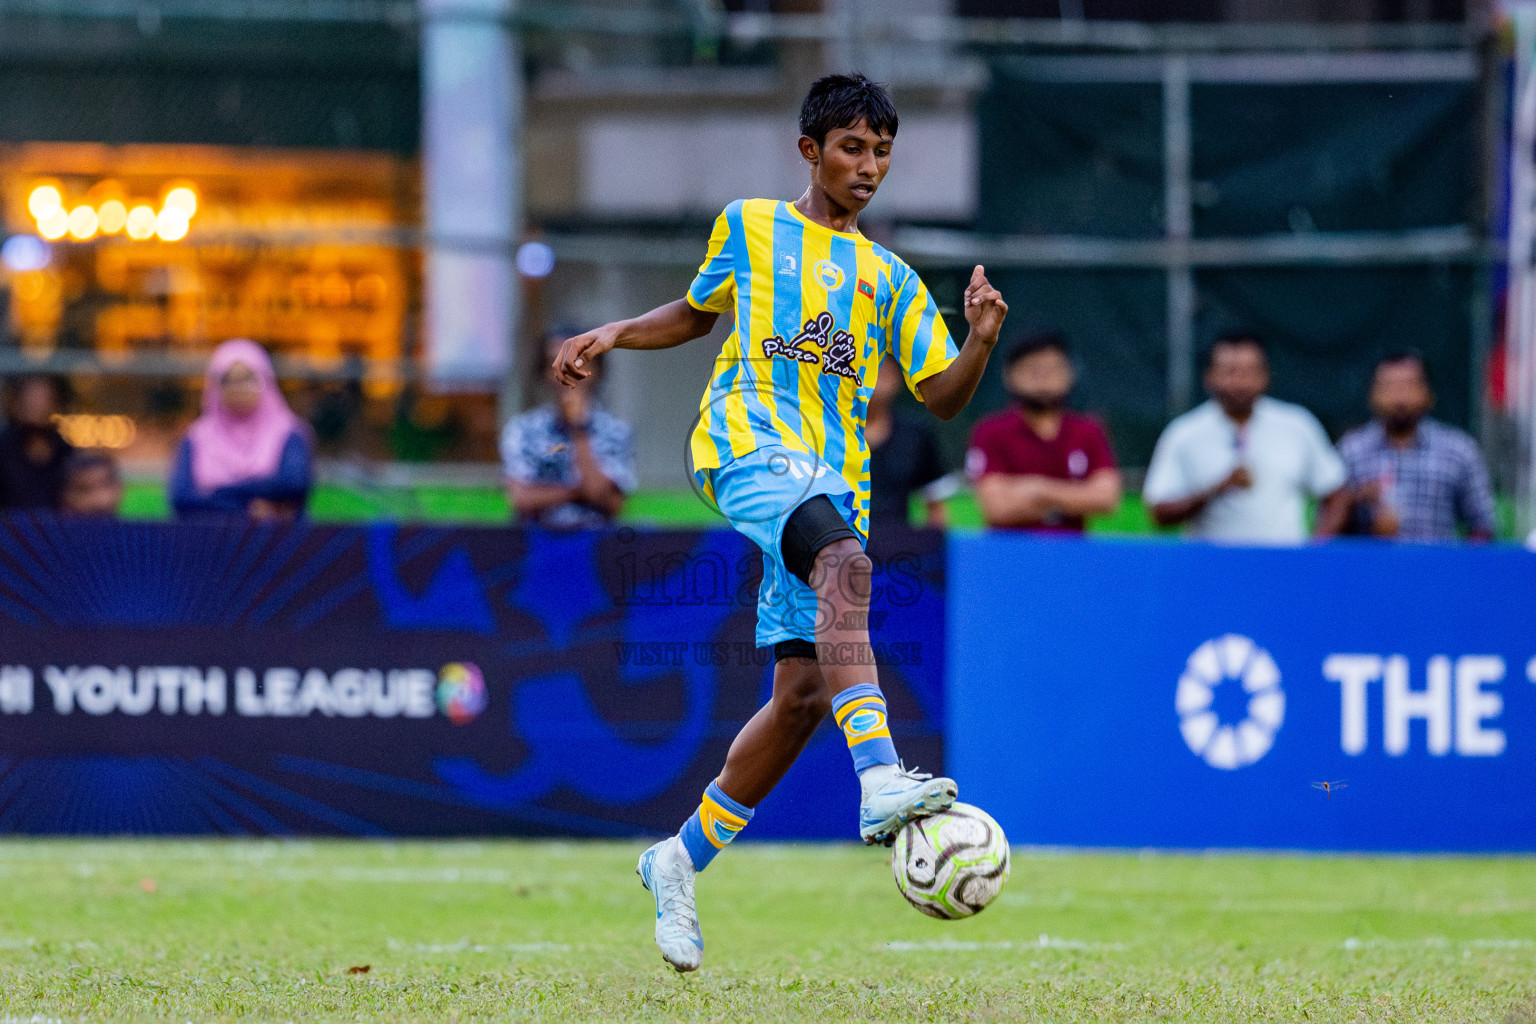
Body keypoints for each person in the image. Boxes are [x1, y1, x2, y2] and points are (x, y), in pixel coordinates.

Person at [551, 73, 1008, 973]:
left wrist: (981, 340)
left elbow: (941, 397)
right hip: (743, 440)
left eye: (881, 151)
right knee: (843, 559)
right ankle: (880, 778)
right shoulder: (752, 225)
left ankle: (676, 861)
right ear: (811, 149)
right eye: (852, 147)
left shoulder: (890, 276)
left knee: (801, 698)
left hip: (833, 478)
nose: (869, 166)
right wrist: (615, 331)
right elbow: (694, 312)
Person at [1144, 333, 1346, 544]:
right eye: (1230, 372)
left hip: (1283, 567)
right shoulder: (1183, 434)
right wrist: (1216, 490)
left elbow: (1336, 491)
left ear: (1266, 376)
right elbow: (1159, 513)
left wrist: (1317, 549)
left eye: (1250, 372)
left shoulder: (1297, 425)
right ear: (1209, 376)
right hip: (1212, 568)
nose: (1241, 382)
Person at [1321, 351, 1496, 542]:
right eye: (1389, 387)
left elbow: (1483, 525)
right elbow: (1326, 533)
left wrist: (1461, 567)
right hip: (1371, 568)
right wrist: (1354, 501)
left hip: (1437, 568)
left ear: (1429, 394)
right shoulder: (1351, 452)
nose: (1399, 398)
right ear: (1372, 395)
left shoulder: (1458, 450)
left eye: (1409, 386)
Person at [966, 333, 1120, 532]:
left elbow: (1107, 499)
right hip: (1008, 553)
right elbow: (997, 508)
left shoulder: (1090, 430)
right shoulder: (990, 431)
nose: (1044, 379)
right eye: (1034, 370)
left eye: (1053, 369)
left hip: (1073, 553)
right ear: (1010, 375)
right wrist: (1073, 499)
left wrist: (1037, 489)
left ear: (1070, 374)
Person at [501, 327, 637, 529]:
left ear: (597, 370)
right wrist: (580, 492)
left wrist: (578, 429)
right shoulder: (523, 429)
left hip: (595, 551)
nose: (567, 373)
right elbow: (521, 499)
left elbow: (610, 502)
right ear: (543, 372)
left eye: (579, 362)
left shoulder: (616, 432)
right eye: (555, 364)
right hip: (536, 549)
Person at [169, 339, 313, 520]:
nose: (238, 388)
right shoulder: (197, 437)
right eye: (229, 380)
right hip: (210, 541)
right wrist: (250, 509)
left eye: (247, 379)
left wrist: (218, 492)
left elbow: (294, 485)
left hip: (278, 543)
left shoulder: (289, 432)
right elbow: (182, 499)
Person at [867, 355, 953, 530]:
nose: (881, 373)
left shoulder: (916, 434)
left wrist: (930, 548)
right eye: (872, 366)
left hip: (897, 544)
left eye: (888, 367)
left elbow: (935, 505)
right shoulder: (828, 431)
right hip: (836, 542)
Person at [0, 374, 73, 510]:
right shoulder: (4, 451)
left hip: (56, 529)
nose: (37, 406)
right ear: (16, 404)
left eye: (44, 399)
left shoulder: (67, 454)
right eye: (31, 399)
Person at [60, 451, 123, 517]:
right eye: (84, 489)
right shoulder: (58, 523)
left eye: (105, 486)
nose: (97, 496)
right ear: (66, 495)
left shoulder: (128, 518)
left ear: (118, 486)